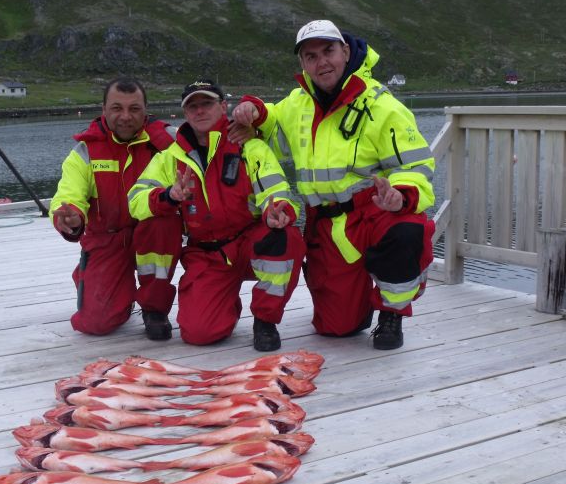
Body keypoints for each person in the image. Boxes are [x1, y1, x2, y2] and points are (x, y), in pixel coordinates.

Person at [231, 20, 436, 350]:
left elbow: (415, 166)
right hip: (325, 223)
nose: (321, 62)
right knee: (337, 327)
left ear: (345, 50)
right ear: (303, 64)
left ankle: (391, 313)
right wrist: (253, 112)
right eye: (310, 56)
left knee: (407, 229)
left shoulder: (382, 105)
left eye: (328, 51)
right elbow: (271, 124)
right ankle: (359, 297)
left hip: (374, 212)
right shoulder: (297, 103)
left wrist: (401, 196)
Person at [128, 79, 305, 351]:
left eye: (207, 103)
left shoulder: (251, 146)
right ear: (185, 113)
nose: (200, 111)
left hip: (248, 243)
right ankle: (222, 302)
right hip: (208, 254)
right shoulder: (168, 157)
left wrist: (276, 211)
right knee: (199, 333)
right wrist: (169, 196)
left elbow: (276, 189)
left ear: (223, 107)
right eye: (193, 106)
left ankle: (265, 320)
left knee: (286, 236)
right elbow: (135, 201)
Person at [50, 77, 181, 339]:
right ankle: (96, 279)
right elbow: (68, 194)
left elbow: (211, 140)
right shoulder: (85, 151)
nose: (125, 116)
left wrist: (248, 127)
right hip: (109, 241)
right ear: (103, 110)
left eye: (134, 109)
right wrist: (70, 216)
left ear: (146, 110)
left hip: (153, 233)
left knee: (162, 223)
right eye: (117, 108)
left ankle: (153, 308)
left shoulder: (170, 141)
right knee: (96, 323)